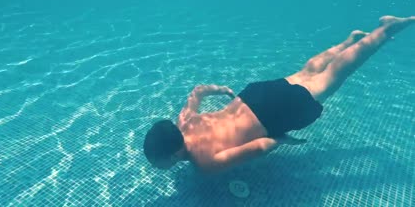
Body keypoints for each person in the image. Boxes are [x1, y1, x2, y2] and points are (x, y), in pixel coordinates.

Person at [143, 15, 415, 173]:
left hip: (273, 114)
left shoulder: (205, 163)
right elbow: (198, 91)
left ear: (172, 156)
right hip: (253, 95)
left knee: (331, 77)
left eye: (158, 162)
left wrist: (281, 139)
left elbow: (261, 147)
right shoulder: (185, 121)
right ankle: (348, 40)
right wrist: (223, 90)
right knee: (308, 72)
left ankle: (387, 29)